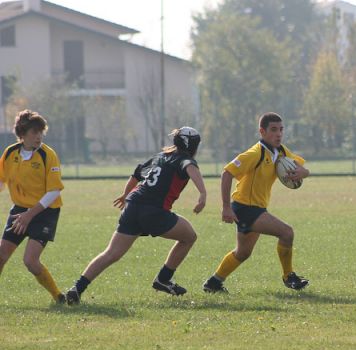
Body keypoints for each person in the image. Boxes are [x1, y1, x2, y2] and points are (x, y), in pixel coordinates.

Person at [66, 127, 207, 304]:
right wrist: (202, 193)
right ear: (193, 145)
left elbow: (137, 174)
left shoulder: (160, 156)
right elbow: (190, 167)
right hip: (154, 211)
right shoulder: (184, 160)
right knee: (189, 237)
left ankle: (76, 289)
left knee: (111, 253)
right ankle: (163, 279)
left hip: (133, 206)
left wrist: (125, 195)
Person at [202, 112, 310, 293]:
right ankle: (288, 276)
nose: (279, 134)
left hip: (257, 208)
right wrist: (226, 207)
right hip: (245, 208)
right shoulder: (256, 153)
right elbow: (227, 173)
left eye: (281, 130)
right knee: (286, 233)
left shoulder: (281, 151)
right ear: (262, 131)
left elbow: (303, 168)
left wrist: (302, 173)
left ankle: (213, 283)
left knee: (243, 253)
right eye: (274, 130)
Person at [0, 110, 65, 304]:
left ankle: (58, 296)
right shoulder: (11, 153)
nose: (38, 136)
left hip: (45, 212)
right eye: (34, 132)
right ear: (22, 133)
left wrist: (29, 215)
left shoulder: (47, 155)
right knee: (1, 256)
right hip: (20, 210)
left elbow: (54, 191)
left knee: (30, 261)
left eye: (41, 132)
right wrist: (24, 214)